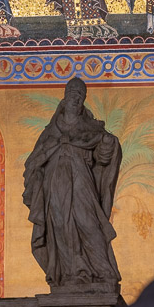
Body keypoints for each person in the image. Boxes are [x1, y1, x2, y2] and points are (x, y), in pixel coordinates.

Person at [22, 77, 122, 291]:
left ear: (83, 100)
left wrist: (106, 145)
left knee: (88, 221)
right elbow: (34, 160)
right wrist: (39, 170)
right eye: (72, 94)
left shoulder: (91, 128)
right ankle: (70, 274)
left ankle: (103, 271)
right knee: (60, 224)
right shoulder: (51, 131)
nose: (75, 99)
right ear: (65, 98)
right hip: (55, 182)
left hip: (81, 178)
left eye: (80, 96)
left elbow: (103, 158)